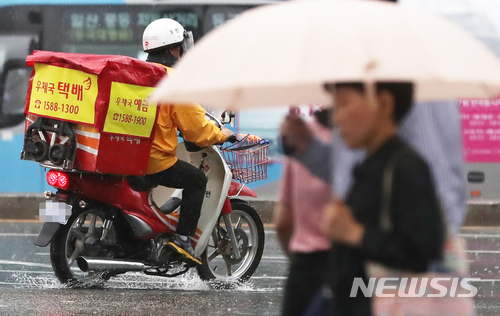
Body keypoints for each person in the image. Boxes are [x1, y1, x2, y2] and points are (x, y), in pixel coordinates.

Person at [326, 82, 445, 314]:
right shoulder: (372, 165)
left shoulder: (406, 167)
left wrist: (354, 233)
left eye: (344, 104)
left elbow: (423, 249)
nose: (336, 118)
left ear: (384, 103)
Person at [141, 18, 233, 265]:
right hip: (153, 160)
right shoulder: (174, 81)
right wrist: (222, 134)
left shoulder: (138, 74)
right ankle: (183, 239)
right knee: (196, 179)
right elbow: (196, 131)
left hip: (128, 156)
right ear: (174, 49)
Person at [274, 109, 333, 316]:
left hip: (306, 268)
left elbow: (282, 223)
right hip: (351, 267)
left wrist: (298, 260)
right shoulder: (362, 137)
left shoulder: (300, 135)